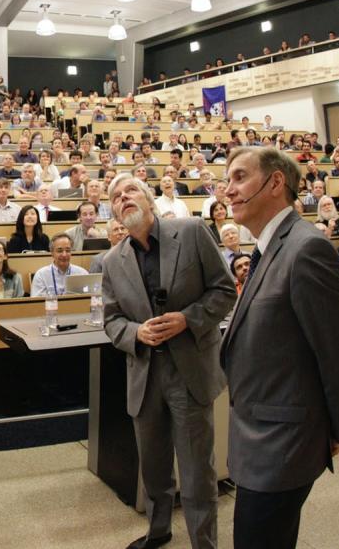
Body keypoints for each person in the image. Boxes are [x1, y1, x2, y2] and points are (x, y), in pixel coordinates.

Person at [222, 146, 339, 549]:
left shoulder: (306, 249)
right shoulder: (267, 248)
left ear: (275, 182)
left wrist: (334, 428)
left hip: (282, 446)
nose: (227, 190)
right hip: (261, 439)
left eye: (239, 177)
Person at [100, 173, 235, 549]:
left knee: (196, 472)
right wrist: (135, 334)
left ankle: (203, 543)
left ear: (149, 200)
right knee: (155, 469)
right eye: (115, 196)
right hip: (145, 374)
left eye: (130, 191)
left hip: (188, 371)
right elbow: (111, 320)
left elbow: (225, 290)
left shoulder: (190, 231)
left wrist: (187, 319)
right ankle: (159, 531)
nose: (122, 198)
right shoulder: (113, 261)